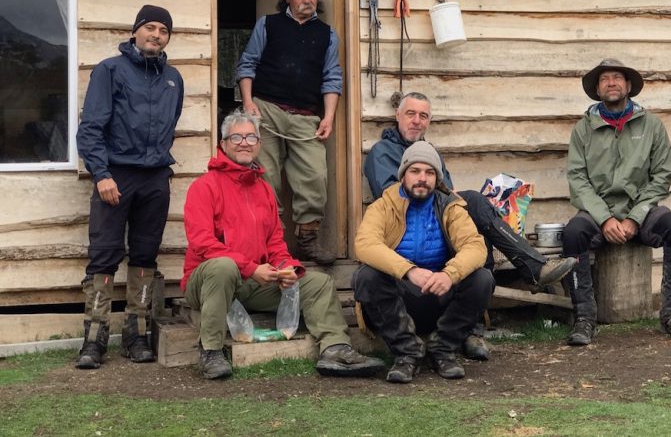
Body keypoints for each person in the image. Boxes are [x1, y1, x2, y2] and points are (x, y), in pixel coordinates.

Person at [363, 91, 576, 359]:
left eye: (423, 116)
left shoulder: (433, 154)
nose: (417, 121)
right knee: (473, 202)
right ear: (397, 116)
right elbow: (397, 197)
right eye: (411, 114)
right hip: (406, 235)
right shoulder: (382, 152)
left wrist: (452, 210)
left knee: (472, 221)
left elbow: (447, 196)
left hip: (437, 232)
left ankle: (473, 329)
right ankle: (530, 272)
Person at [182, 109, 383, 380]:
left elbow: (276, 242)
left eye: (251, 137)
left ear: (259, 145)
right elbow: (202, 243)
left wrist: (287, 268)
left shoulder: (264, 189)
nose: (245, 142)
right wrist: (252, 268)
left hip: (252, 283)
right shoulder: (204, 187)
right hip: (208, 284)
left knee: (318, 282)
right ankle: (211, 352)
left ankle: (335, 348)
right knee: (222, 266)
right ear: (223, 144)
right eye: (237, 137)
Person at [75, 5, 184, 369]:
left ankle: (136, 335)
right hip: (116, 175)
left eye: (163, 30)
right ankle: (94, 338)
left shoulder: (173, 79)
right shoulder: (110, 70)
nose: (156, 34)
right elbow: (91, 127)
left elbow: (170, 123)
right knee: (104, 254)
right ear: (135, 31)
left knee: (144, 255)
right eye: (149, 27)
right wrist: (102, 174)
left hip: (155, 178)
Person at [562, 59, 671, 345]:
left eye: (617, 77)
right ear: (597, 89)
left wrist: (635, 217)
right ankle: (584, 317)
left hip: (642, 210)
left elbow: (661, 176)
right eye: (604, 79)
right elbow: (577, 179)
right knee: (573, 234)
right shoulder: (583, 129)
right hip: (598, 213)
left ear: (629, 86)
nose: (611, 82)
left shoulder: (651, 126)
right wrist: (605, 218)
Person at [353, 141, 494, 383]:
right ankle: (407, 353)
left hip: (439, 293)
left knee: (482, 278)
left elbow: (475, 246)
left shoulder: (450, 205)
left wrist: (450, 274)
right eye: (415, 171)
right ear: (403, 174)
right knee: (366, 276)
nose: (422, 178)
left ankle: (443, 349)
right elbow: (365, 244)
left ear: (437, 178)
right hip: (400, 297)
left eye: (430, 173)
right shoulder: (383, 206)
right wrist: (408, 270)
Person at [237, 0, 339, 265]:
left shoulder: (328, 34)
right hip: (265, 108)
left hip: (307, 115)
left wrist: (328, 116)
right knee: (266, 177)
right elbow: (248, 64)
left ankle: (307, 240)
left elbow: (332, 77)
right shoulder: (267, 25)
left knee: (315, 176)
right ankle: (273, 243)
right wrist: (248, 102)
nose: (307, 0)